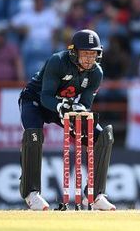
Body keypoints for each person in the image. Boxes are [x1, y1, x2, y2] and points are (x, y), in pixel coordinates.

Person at [18, 29, 115, 211]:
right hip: (35, 101)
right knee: (34, 136)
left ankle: (94, 195)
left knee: (104, 136)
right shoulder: (58, 61)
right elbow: (46, 96)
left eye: (93, 54)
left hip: (63, 107)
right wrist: (61, 106)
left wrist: (78, 109)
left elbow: (85, 104)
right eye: (85, 53)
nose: (89, 58)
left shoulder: (96, 73)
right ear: (74, 52)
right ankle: (31, 193)